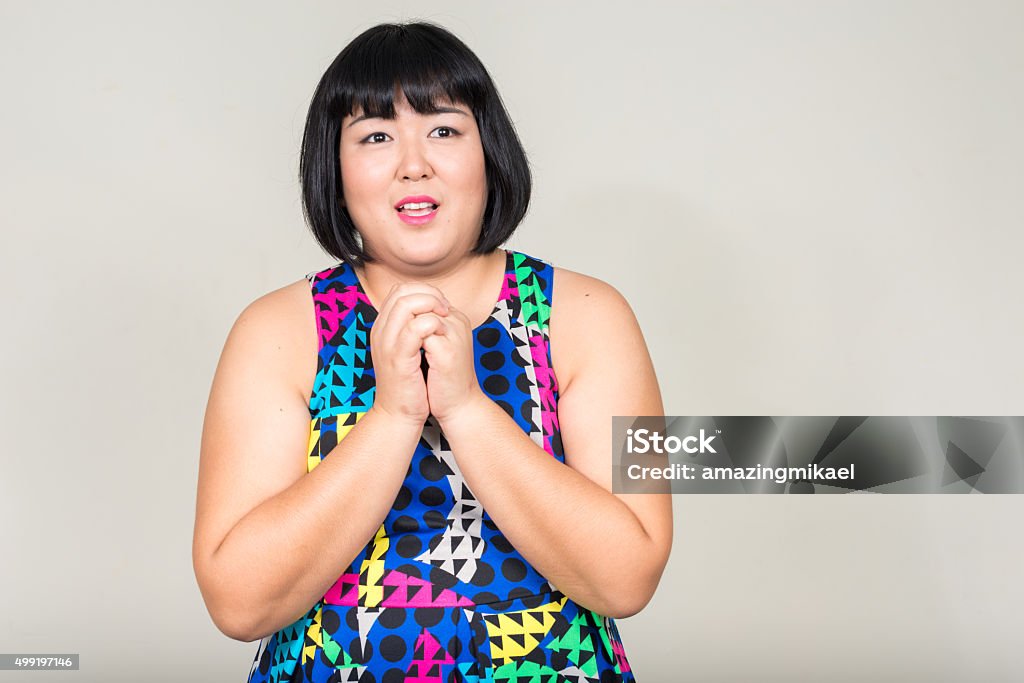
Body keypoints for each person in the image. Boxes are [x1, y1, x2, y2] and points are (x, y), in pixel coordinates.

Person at [192, 20, 672, 683]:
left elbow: (630, 576)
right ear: (335, 169)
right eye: (375, 136)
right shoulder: (276, 330)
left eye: (444, 129)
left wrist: (468, 409)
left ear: (489, 152)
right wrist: (392, 416)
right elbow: (238, 600)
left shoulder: (592, 317)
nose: (413, 163)